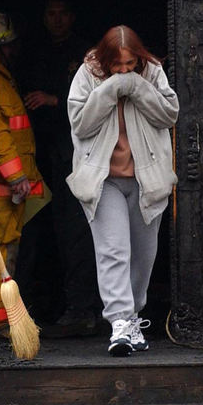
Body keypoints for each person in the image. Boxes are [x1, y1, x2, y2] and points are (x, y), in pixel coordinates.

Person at [66, 25, 179, 356]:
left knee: (143, 257)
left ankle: (132, 319)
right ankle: (120, 325)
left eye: (130, 65)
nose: (125, 71)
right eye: (118, 66)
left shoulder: (152, 71)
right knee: (114, 250)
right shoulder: (88, 73)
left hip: (147, 180)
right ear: (106, 60)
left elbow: (169, 115)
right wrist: (111, 88)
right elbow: (80, 123)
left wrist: (137, 87)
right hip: (104, 181)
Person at [18, 0, 100, 337]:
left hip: (75, 154)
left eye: (63, 12)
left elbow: (97, 97)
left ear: (73, 16)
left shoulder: (86, 53)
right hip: (36, 155)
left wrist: (55, 99)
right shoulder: (32, 52)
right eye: (50, 13)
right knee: (40, 231)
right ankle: (46, 304)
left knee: (76, 228)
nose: (57, 19)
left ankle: (84, 308)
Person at [0, 12, 48, 328]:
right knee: (3, 255)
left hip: (23, 184)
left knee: (18, 253)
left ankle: (13, 319)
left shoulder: (3, 78)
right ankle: (3, 325)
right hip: (7, 187)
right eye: (9, 44)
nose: (15, 50)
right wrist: (15, 176)